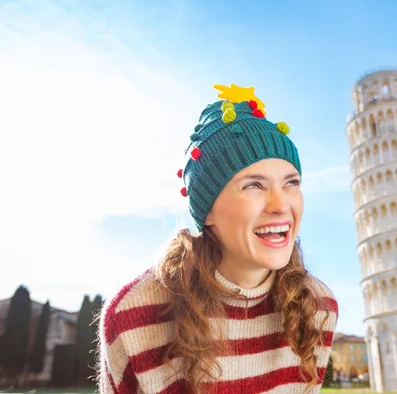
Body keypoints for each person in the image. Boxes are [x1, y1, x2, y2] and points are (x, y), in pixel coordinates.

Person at [96, 84, 339, 394]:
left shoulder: (317, 306)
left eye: (291, 183)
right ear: (207, 211)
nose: (281, 206)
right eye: (254, 185)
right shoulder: (134, 315)